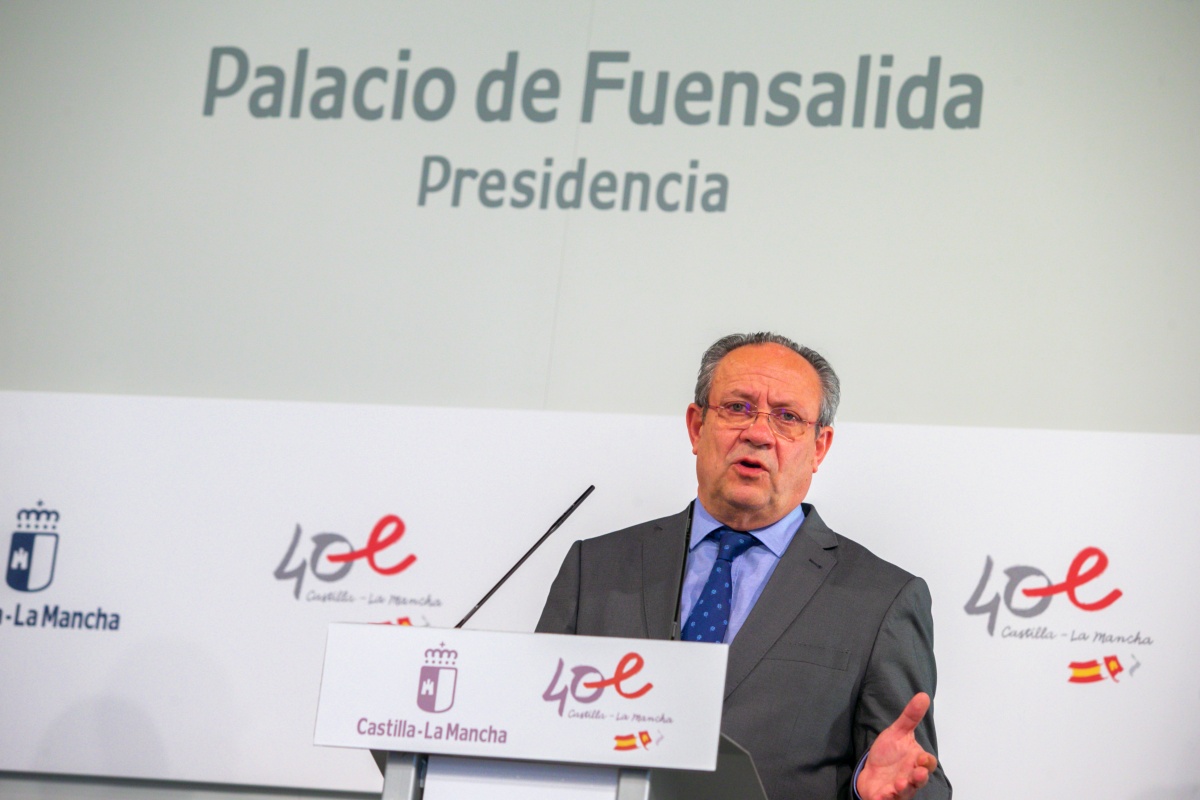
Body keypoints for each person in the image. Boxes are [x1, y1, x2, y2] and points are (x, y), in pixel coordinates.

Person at [537, 333, 950, 800]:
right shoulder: (595, 568)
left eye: (787, 417)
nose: (758, 433)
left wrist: (868, 790)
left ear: (819, 447)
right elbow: (530, 728)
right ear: (696, 426)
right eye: (737, 408)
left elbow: (918, 780)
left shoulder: (881, 600)